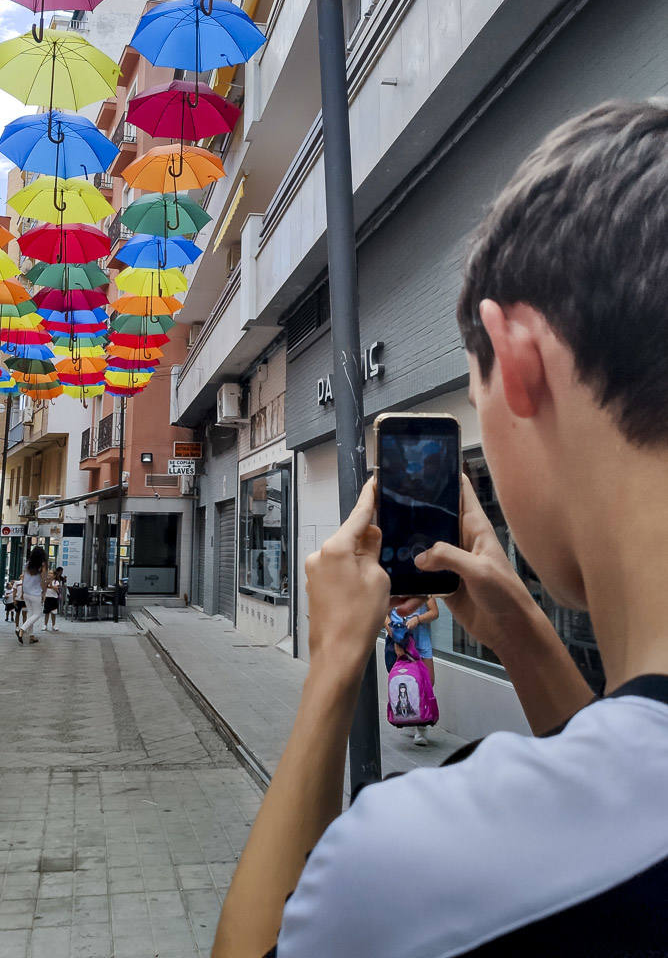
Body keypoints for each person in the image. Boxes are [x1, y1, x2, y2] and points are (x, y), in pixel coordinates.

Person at [212, 102, 668, 958]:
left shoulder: (415, 868)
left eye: (478, 396)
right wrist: (520, 628)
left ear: (520, 360)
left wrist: (335, 666)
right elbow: (622, 772)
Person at [386, 596, 439, 744]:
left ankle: (415, 720)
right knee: (407, 682)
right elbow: (384, 613)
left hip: (422, 638)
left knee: (428, 682)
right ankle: (419, 728)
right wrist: (393, 634)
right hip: (400, 640)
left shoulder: (422, 585)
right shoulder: (393, 586)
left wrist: (418, 619)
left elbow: (434, 612)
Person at [16, 546, 49, 645]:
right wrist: (44, 592)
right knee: (37, 614)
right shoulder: (43, 565)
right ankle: (22, 629)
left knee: (31, 614)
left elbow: (24, 579)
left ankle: (31, 636)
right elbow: (43, 580)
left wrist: (22, 592)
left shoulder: (27, 564)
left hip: (26, 593)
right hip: (35, 593)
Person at [43, 567, 63, 631]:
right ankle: (45, 625)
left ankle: (53, 625)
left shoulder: (56, 582)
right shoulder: (45, 581)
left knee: (53, 613)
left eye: (51, 573)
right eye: (49, 573)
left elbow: (55, 588)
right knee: (47, 612)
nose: (50, 574)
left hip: (54, 598)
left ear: (54, 575)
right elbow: (44, 589)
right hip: (47, 598)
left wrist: (51, 583)